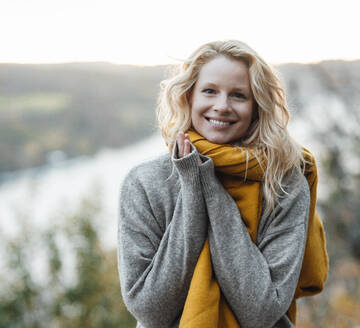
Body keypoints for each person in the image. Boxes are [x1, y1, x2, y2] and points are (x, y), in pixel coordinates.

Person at [118, 40, 329, 328]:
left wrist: (205, 185)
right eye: (209, 91)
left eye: (239, 95)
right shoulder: (144, 183)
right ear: (188, 96)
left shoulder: (284, 182)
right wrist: (193, 188)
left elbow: (261, 312)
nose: (222, 106)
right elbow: (149, 309)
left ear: (256, 106)